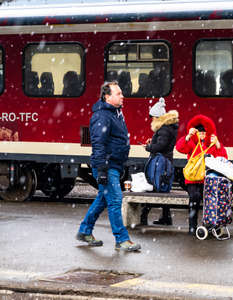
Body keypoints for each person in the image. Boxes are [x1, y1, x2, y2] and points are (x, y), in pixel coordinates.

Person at [76, 81, 141, 252]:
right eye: (118, 93)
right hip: (107, 165)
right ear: (107, 97)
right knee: (115, 201)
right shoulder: (102, 116)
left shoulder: (115, 113)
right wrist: (103, 169)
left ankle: (84, 231)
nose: (122, 96)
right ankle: (122, 239)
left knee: (103, 199)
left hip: (114, 164)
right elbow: (99, 144)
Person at [176, 114, 227, 235]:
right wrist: (188, 136)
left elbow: (223, 157)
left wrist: (218, 144)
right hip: (193, 179)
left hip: (207, 179)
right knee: (194, 197)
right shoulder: (191, 143)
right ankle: (192, 226)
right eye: (200, 133)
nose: (202, 135)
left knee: (209, 199)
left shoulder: (212, 143)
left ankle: (207, 225)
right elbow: (179, 148)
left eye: (204, 133)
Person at [140, 98, 179, 226]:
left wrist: (148, 147)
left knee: (155, 187)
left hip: (160, 163)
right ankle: (166, 217)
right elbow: (164, 144)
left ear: (158, 117)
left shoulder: (163, 129)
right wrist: (152, 143)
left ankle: (143, 216)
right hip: (167, 161)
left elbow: (160, 146)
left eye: (153, 117)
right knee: (163, 189)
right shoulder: (169, 127)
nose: (152, 120)